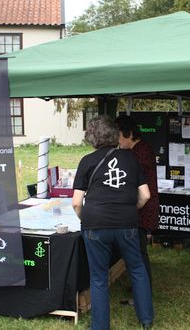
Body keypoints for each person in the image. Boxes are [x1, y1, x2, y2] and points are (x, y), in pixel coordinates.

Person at [72, 115, 154, 330]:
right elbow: (145, 195)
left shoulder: (86, 161)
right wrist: (129, 210)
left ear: (92, 138)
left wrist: (86, 219)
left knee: (98, 278)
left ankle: (100, 327)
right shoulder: (130, 158)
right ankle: (146, 320)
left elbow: (76, 203)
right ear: (114, 134)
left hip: (94, 225)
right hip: (127, 223)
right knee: (137, 269)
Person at [115, 115, 159, 287]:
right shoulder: (138, 150)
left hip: (142, 208)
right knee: (138, 251)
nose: (117, 141)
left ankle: (142, 290)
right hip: (141, 207)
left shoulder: (139, 153)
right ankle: (140, 287)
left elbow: (134, 185)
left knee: (139, 254)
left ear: (129, 133)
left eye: (119, 136)